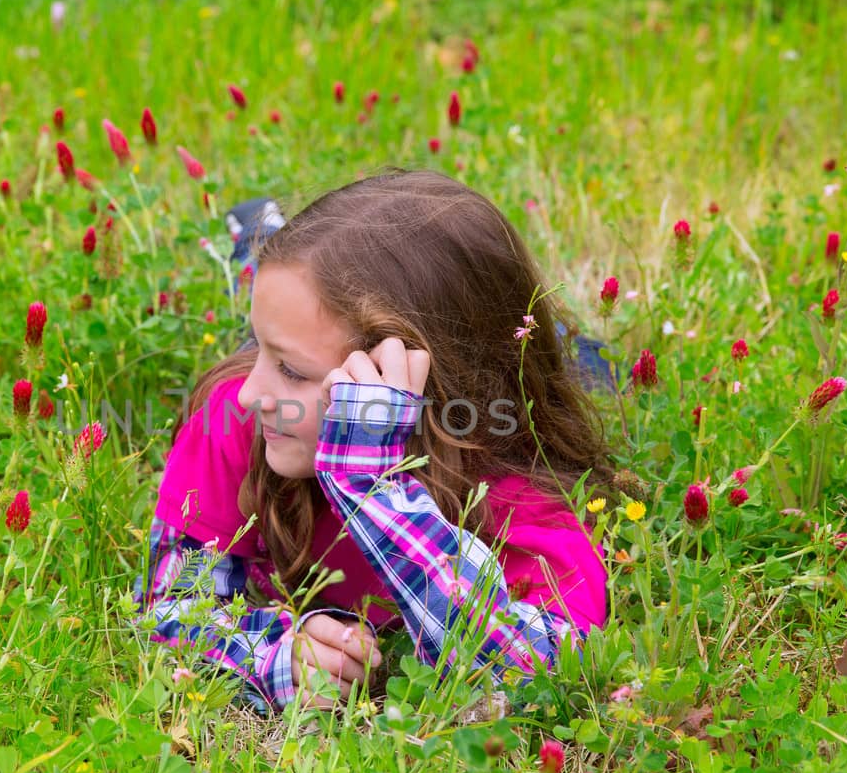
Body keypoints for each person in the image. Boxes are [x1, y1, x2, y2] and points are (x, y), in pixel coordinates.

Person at [133, 169, 613, 712]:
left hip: (471, 378)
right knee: (277, 308)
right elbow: (168, 605)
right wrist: (271, 657)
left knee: (586, 363)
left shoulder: (520, 496)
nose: (249, 394)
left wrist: (368, 479)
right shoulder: (235, 419)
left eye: (291, 371)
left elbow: (532, 673)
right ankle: (257, 240)